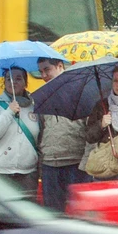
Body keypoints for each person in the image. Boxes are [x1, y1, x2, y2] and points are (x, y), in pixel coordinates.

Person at [37, 56, 89, 210]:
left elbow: (91, 131)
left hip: (75, 163)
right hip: (50, 164)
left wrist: (86, 163)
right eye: (40, 72)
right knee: (52, 213)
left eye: (47, 70)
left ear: (60, 66)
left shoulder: (80, 92)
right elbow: (41, 131)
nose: (44, 76)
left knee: (78, 212)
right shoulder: (42, 96)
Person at [0, 66, 41, 194]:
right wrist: (9, 112)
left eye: (18, 79)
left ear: (26, 82)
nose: (13, 82)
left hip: (27, 174)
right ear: (4, 82)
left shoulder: (34, 107)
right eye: (9, 79)